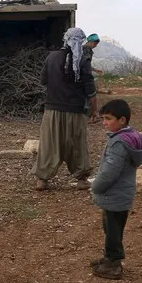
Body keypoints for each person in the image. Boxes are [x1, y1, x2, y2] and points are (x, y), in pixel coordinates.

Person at [89, 100, 142, 280]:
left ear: (122, 120)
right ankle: (109, 257)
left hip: (114, 195)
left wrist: (96, 186)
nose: (104, 122)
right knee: (112, 227)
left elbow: (109, 173)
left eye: (108, 119)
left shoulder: (119, 144)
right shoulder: (133, 137)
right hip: (122, 194)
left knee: (112, 230)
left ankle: (113, 264)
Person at [34, 27, 97, 191]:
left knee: (49, 143)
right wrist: (94, 110)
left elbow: (43, 80)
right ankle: (82, 179)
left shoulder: (52, 57)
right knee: (76, 144)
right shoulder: (83, 59)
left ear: (65, 39)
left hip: (52, 109)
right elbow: (90, 88)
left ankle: (42, 179)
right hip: (75, 110)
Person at [84, 33, 103, 121]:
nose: (95, 46)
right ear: (90, 42)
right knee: (91, 95)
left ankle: (91, 115)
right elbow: (85, 65)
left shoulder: (87, 50)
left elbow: (87, 65)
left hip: (84, 75)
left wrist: (95, 70)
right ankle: (93, 114)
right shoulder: (86, 50)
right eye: (95, 44)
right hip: (85, 77)